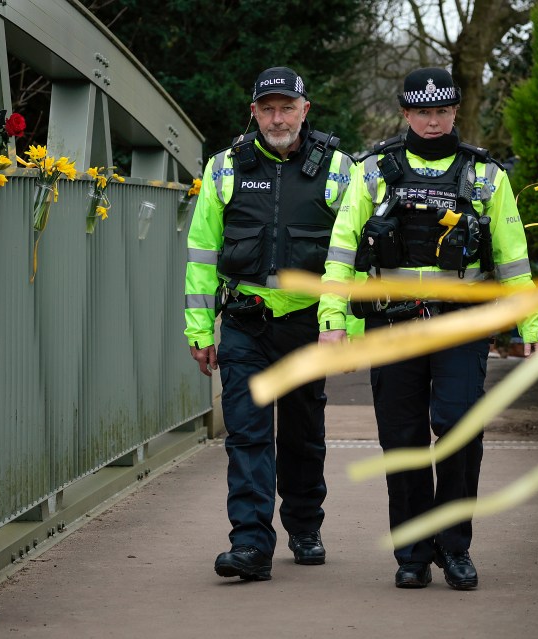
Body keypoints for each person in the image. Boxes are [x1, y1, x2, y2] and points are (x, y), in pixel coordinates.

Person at [317, 67, 538, 590]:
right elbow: (342, 250)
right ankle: (414, 553)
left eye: (441, 111)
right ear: (405, 114)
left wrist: (530, 320)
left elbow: (513, 258)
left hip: (460, 323)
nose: (432, 120)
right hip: (393, 325)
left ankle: (456, 546)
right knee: (402, 439)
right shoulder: (372, 171)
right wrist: (334, 319)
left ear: (455, 113)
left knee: (459, 429)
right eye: (422, 112)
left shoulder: (486, 176)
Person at [184, 66, 353, 581]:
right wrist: (199, 327)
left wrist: (338, 322)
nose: (277, 118)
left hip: (307, 323)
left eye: (287, 107)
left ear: (306, 110)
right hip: (244, 321)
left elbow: (351, 254)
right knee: (247, 435)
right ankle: (251, 543)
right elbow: (201, 255)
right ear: (253, 112)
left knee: (303, 433)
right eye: (267, 108)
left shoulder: (341, 170)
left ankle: (304, 525)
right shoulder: (224, 168)